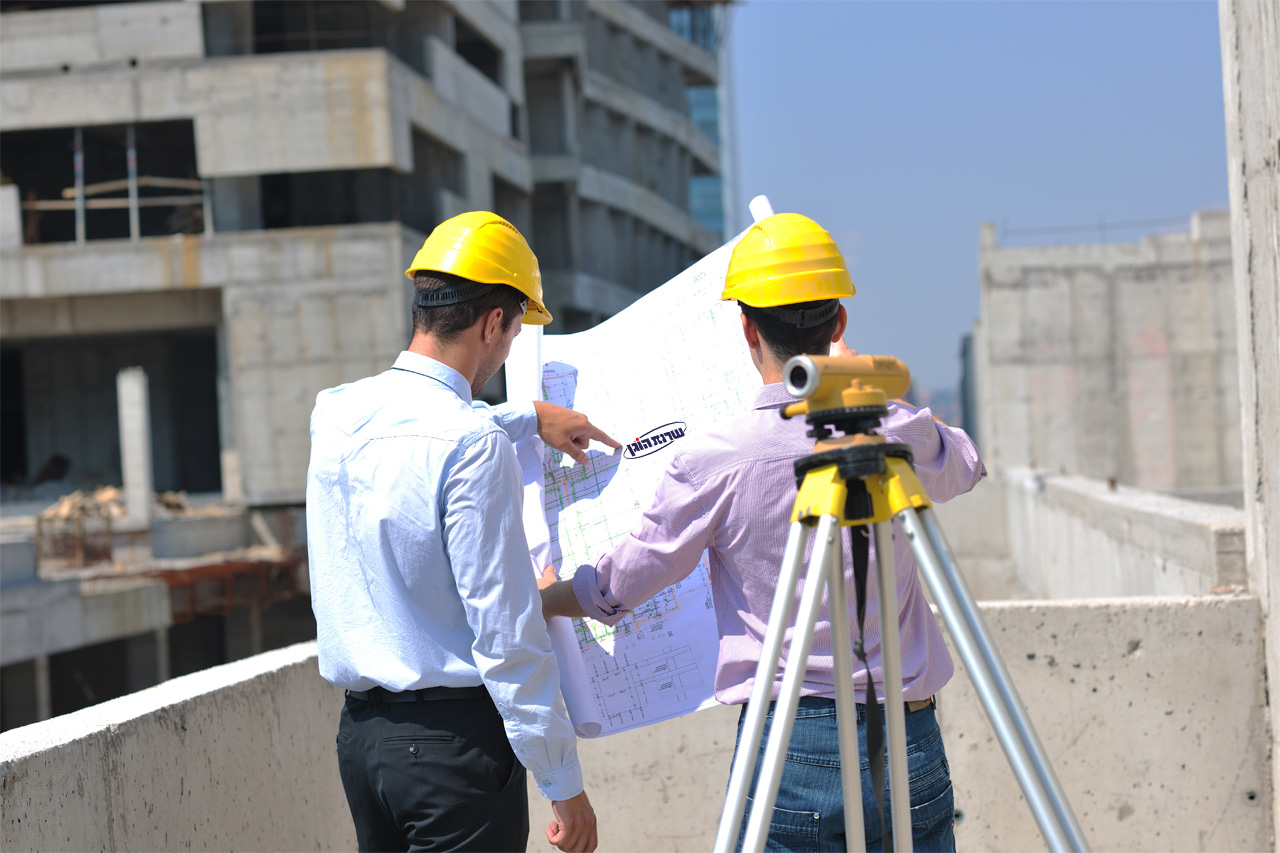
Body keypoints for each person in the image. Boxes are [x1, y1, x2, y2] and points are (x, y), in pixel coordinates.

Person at [540, 212, 985, 851]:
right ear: (839, 324)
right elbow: (965, 463)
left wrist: (554, 595)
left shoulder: (718, 457)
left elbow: (630, 576)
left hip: (789, 747)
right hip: (906, 735)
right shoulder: (885, 427)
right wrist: (870, 397)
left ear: (746, 327)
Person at [308, 211, 618, 853]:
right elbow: (506, 636)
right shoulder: (471, 444)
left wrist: (528, 417)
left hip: (363, 744)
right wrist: (563, 783)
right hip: (453, 754)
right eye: (510, 337)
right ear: (492, 323)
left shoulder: (335, 413)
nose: (504, 353)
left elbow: (415, 442)